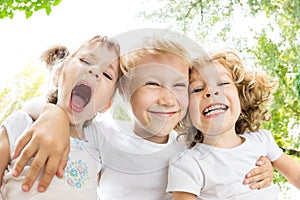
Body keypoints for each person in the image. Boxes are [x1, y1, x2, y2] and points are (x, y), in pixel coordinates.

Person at [10, 32, 274, 199]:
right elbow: (59, 113)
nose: (167, 98)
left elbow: (232, 161)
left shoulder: (190, 148)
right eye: (152, 84)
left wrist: (263, 168)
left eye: (179, 85)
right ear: (123, 93)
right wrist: (51, 112)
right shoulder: (104, 136)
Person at [167, 48, 300, 200]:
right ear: (186, 114)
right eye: (197, 89)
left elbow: (296, 176)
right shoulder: (188, 163)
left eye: (222, 83)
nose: (210, 91)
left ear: (241, 98)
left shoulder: (262, 140)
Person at [0, 35, 120, 199]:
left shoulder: (99, 146)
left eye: (107, 74)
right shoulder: (22, 123)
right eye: (85, 61)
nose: (95, 71)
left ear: (106, 105)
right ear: (58, 75)